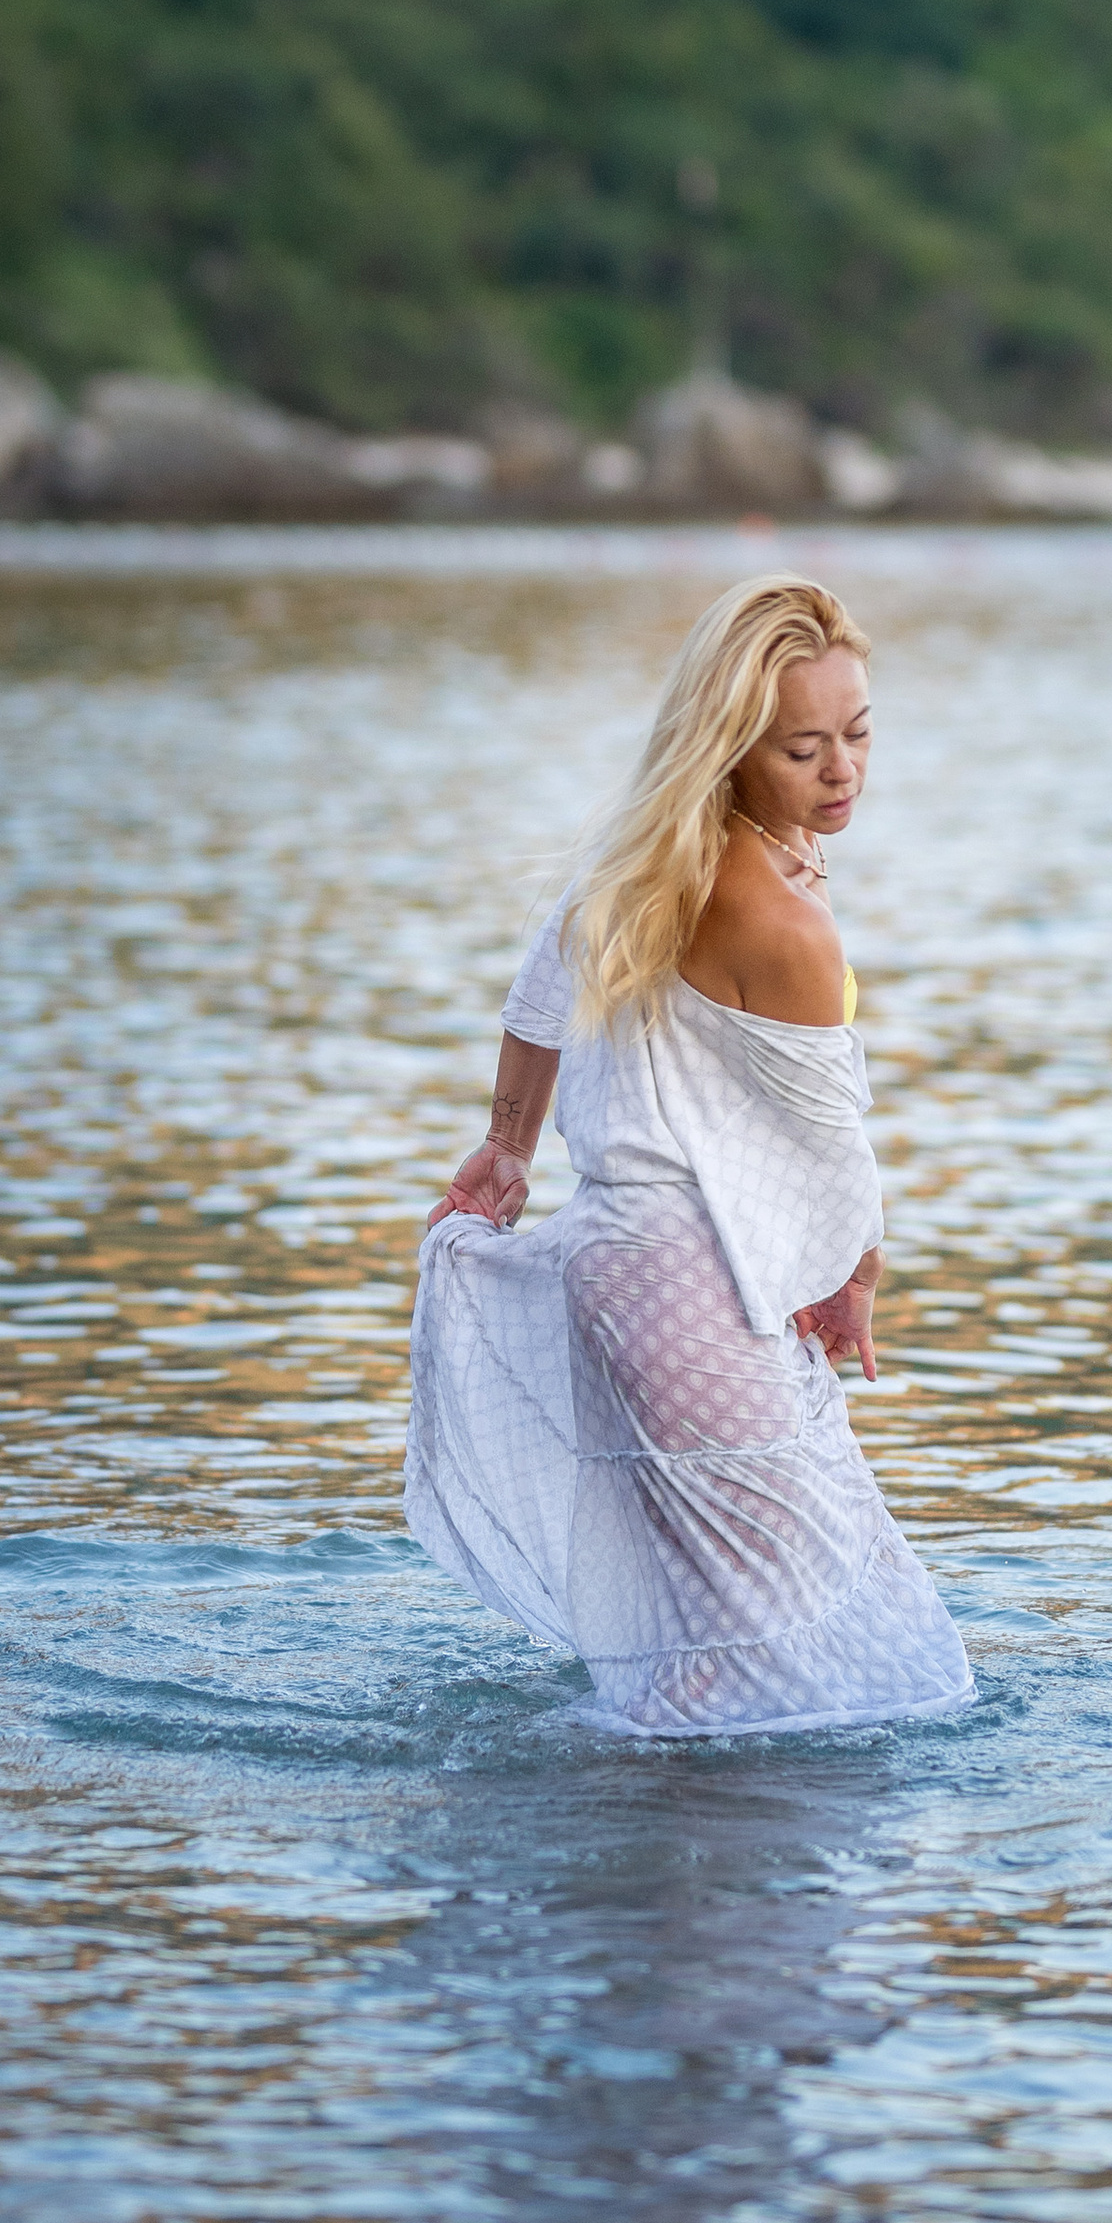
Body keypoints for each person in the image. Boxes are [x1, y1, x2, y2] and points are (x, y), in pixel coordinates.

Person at [407, 575, 973, 1737]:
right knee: (779, 1630)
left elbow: (537, 989)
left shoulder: (645, 854)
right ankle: (653, 1848)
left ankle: (639, 1874)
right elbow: (830, 1144)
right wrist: (855, 1278)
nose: (842, 772)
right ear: (731, 746)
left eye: (858, 735)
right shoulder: (784, 920)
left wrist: (508, 1147)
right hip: (691, 1288)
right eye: (802, 749)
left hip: (611, 1268)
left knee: (708, 1623)